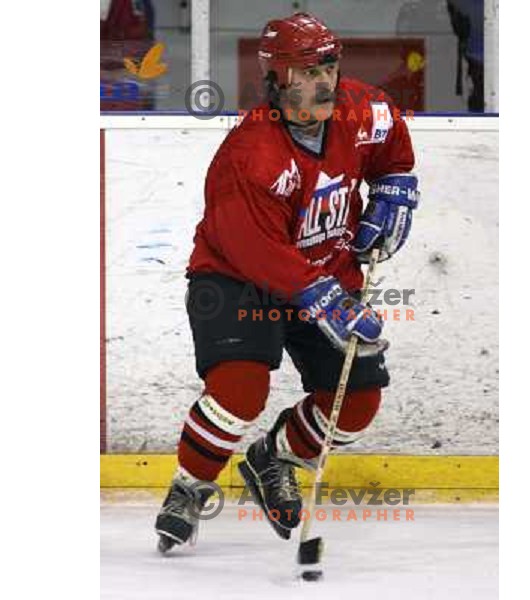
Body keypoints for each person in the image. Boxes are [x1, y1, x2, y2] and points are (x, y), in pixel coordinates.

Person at [154, 12, 419, 552]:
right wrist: (320, 297)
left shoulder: (365, 109)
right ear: (278, 75)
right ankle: (189, 485)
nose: (323, 79)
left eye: (329, 65)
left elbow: (391, 153)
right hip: (236, 280)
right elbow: (252, 248)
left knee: (357, 401)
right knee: (239, 392)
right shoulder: (251, 154)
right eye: (307, 70)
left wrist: (393, 189)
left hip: (324, 273)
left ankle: (272, 458)